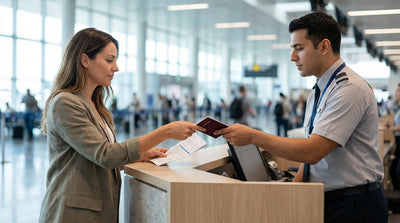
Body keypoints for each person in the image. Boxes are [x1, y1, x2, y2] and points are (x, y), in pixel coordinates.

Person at [215, 12, 388, 222]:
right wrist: (291, 190)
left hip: (355, 205)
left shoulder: (349, 88)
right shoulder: (320, 90)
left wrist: (253, 137)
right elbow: (312, 157)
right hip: (331, 200)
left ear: (324, 47)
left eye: (299, 48)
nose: (292, 57)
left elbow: (313, 151)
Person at [38, 28, 204, 223]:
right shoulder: (65, 103)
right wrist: (166, 131)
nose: (115, 67)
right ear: (85, 60)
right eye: (109, 60)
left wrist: (139, 155)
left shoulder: (94, 104)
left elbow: (94, 157)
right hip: (73, 213)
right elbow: (105, 155)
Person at [386, 83, 400, 190]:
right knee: (394, 170)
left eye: (398, 91)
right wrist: (392, 126)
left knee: (396, 171)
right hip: (397, 141)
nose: (397, 93)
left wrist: (392, 129)